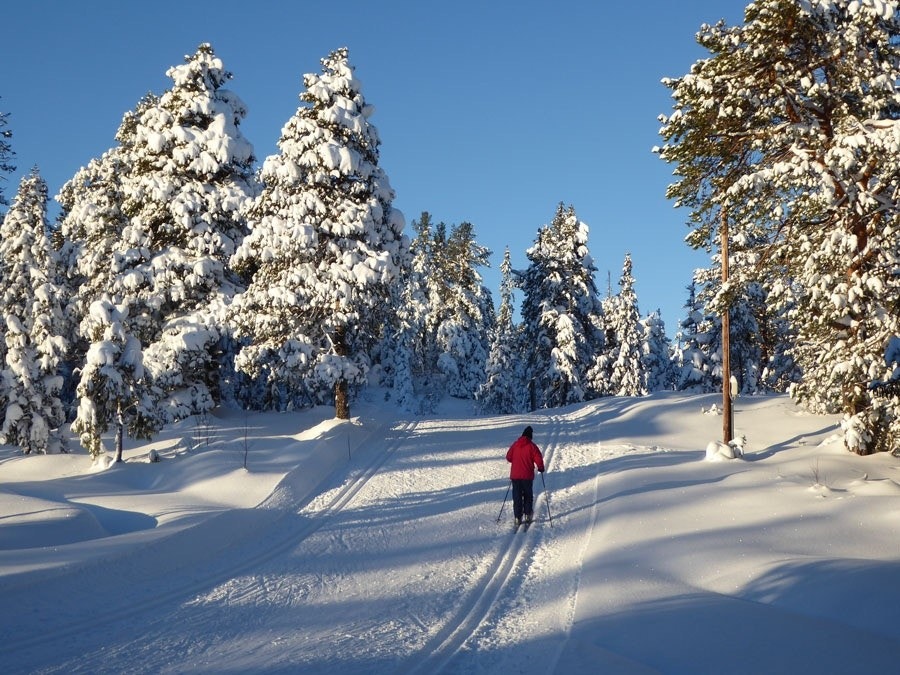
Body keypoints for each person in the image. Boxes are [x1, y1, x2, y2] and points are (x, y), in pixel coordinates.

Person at [506, 425, 545, 526]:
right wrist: (540, 467)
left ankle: (517, 517)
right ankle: (528, 515)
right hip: (527, 476)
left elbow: (508, 457)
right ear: (530, 436)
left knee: (517, 496)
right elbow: (538, 458)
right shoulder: (532, 446)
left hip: (515, 476)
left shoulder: (515, 445)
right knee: (528, 495)